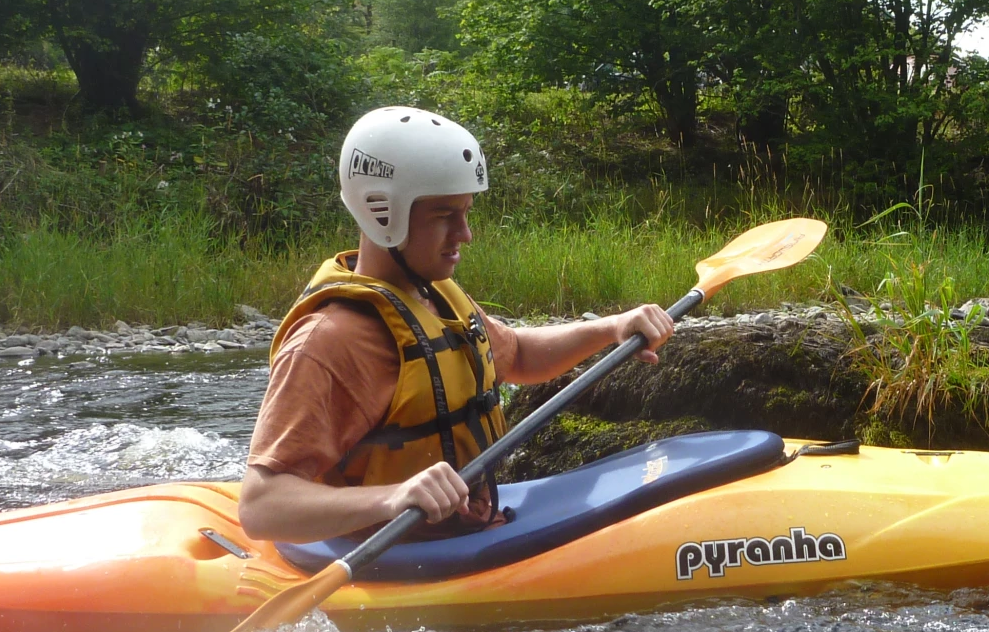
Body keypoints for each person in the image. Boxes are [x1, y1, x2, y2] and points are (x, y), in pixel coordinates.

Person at [239, 105, 673, 543]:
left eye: (466, 212)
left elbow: (517, 355)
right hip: (391, 557)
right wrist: (394, 498)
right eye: (445, 215)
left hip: (471, 532)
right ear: (382, 212)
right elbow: (260, 505)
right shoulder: (329, 341)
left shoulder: (432, 295)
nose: (465, 234)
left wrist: (611, 329)